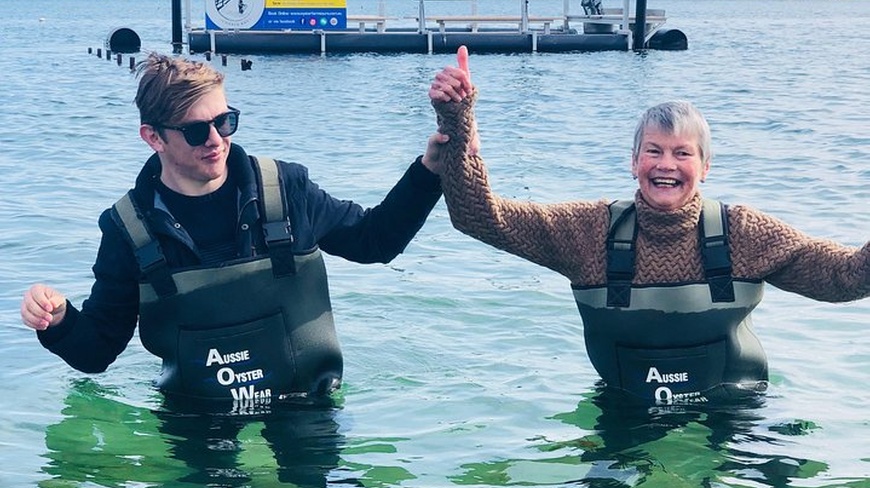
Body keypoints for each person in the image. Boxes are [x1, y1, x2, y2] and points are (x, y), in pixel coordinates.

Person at [427, 47, 870, 405]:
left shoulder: (745, 233)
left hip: (736, 414)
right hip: (624, 412)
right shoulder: (587, 231)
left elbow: (845, 276)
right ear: (634, 161)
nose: (666, 165)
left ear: (706, 165)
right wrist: (457, 119)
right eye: (654, 151)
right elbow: (480, 218)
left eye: (682, 153)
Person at [20, 52, 446, 413]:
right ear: (153, 138)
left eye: (225, 122)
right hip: (196, 419)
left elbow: (376, 241)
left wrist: (429, 172)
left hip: (305, 408)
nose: (216, 140)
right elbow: (96, 352)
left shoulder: (286, 190)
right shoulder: (127, 227)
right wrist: (56, 321)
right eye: (195, 130)